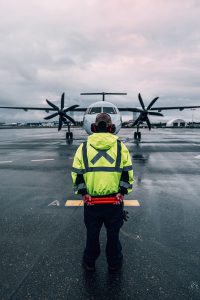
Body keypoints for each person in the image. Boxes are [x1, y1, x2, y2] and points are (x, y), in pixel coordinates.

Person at [71, 113, 133, 272]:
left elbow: (77, 173)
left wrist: (84, 193)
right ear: (111, 127)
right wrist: (122, 192)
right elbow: (127, 172)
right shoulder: (121, 147)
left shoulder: (83, 147)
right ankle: (114, 263)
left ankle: (89, 263)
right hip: (114, 202)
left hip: (92, 203)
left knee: (92, 235)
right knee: (113, 236)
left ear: (93, 127)